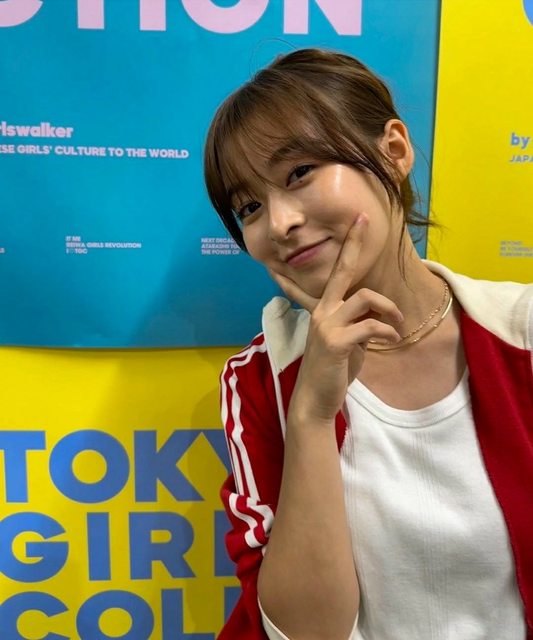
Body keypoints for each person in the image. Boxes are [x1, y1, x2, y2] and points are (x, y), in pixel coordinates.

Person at [203, 48, 533, 640]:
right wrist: (311, 413)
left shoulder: (521, 332)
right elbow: (305, 632)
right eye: (249, 207)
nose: (278, 223)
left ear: (394, 152)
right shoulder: (260, 379)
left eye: (299, 172)